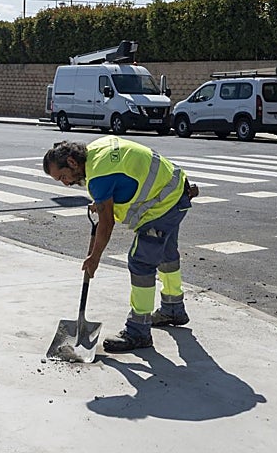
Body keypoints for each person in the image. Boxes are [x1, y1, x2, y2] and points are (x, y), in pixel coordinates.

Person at [43, 136, 198, 353]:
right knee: (166, 255)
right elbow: (122, 177)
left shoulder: (98, 176)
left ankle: (138, 331)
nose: (66, 183)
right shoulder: (97, 150)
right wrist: (102, 201)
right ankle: (173, 309)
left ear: (71, 162)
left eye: (63, 177)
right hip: (176, 190)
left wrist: (94, 257)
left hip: (162, 205)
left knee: (140, 262)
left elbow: (107, 224)